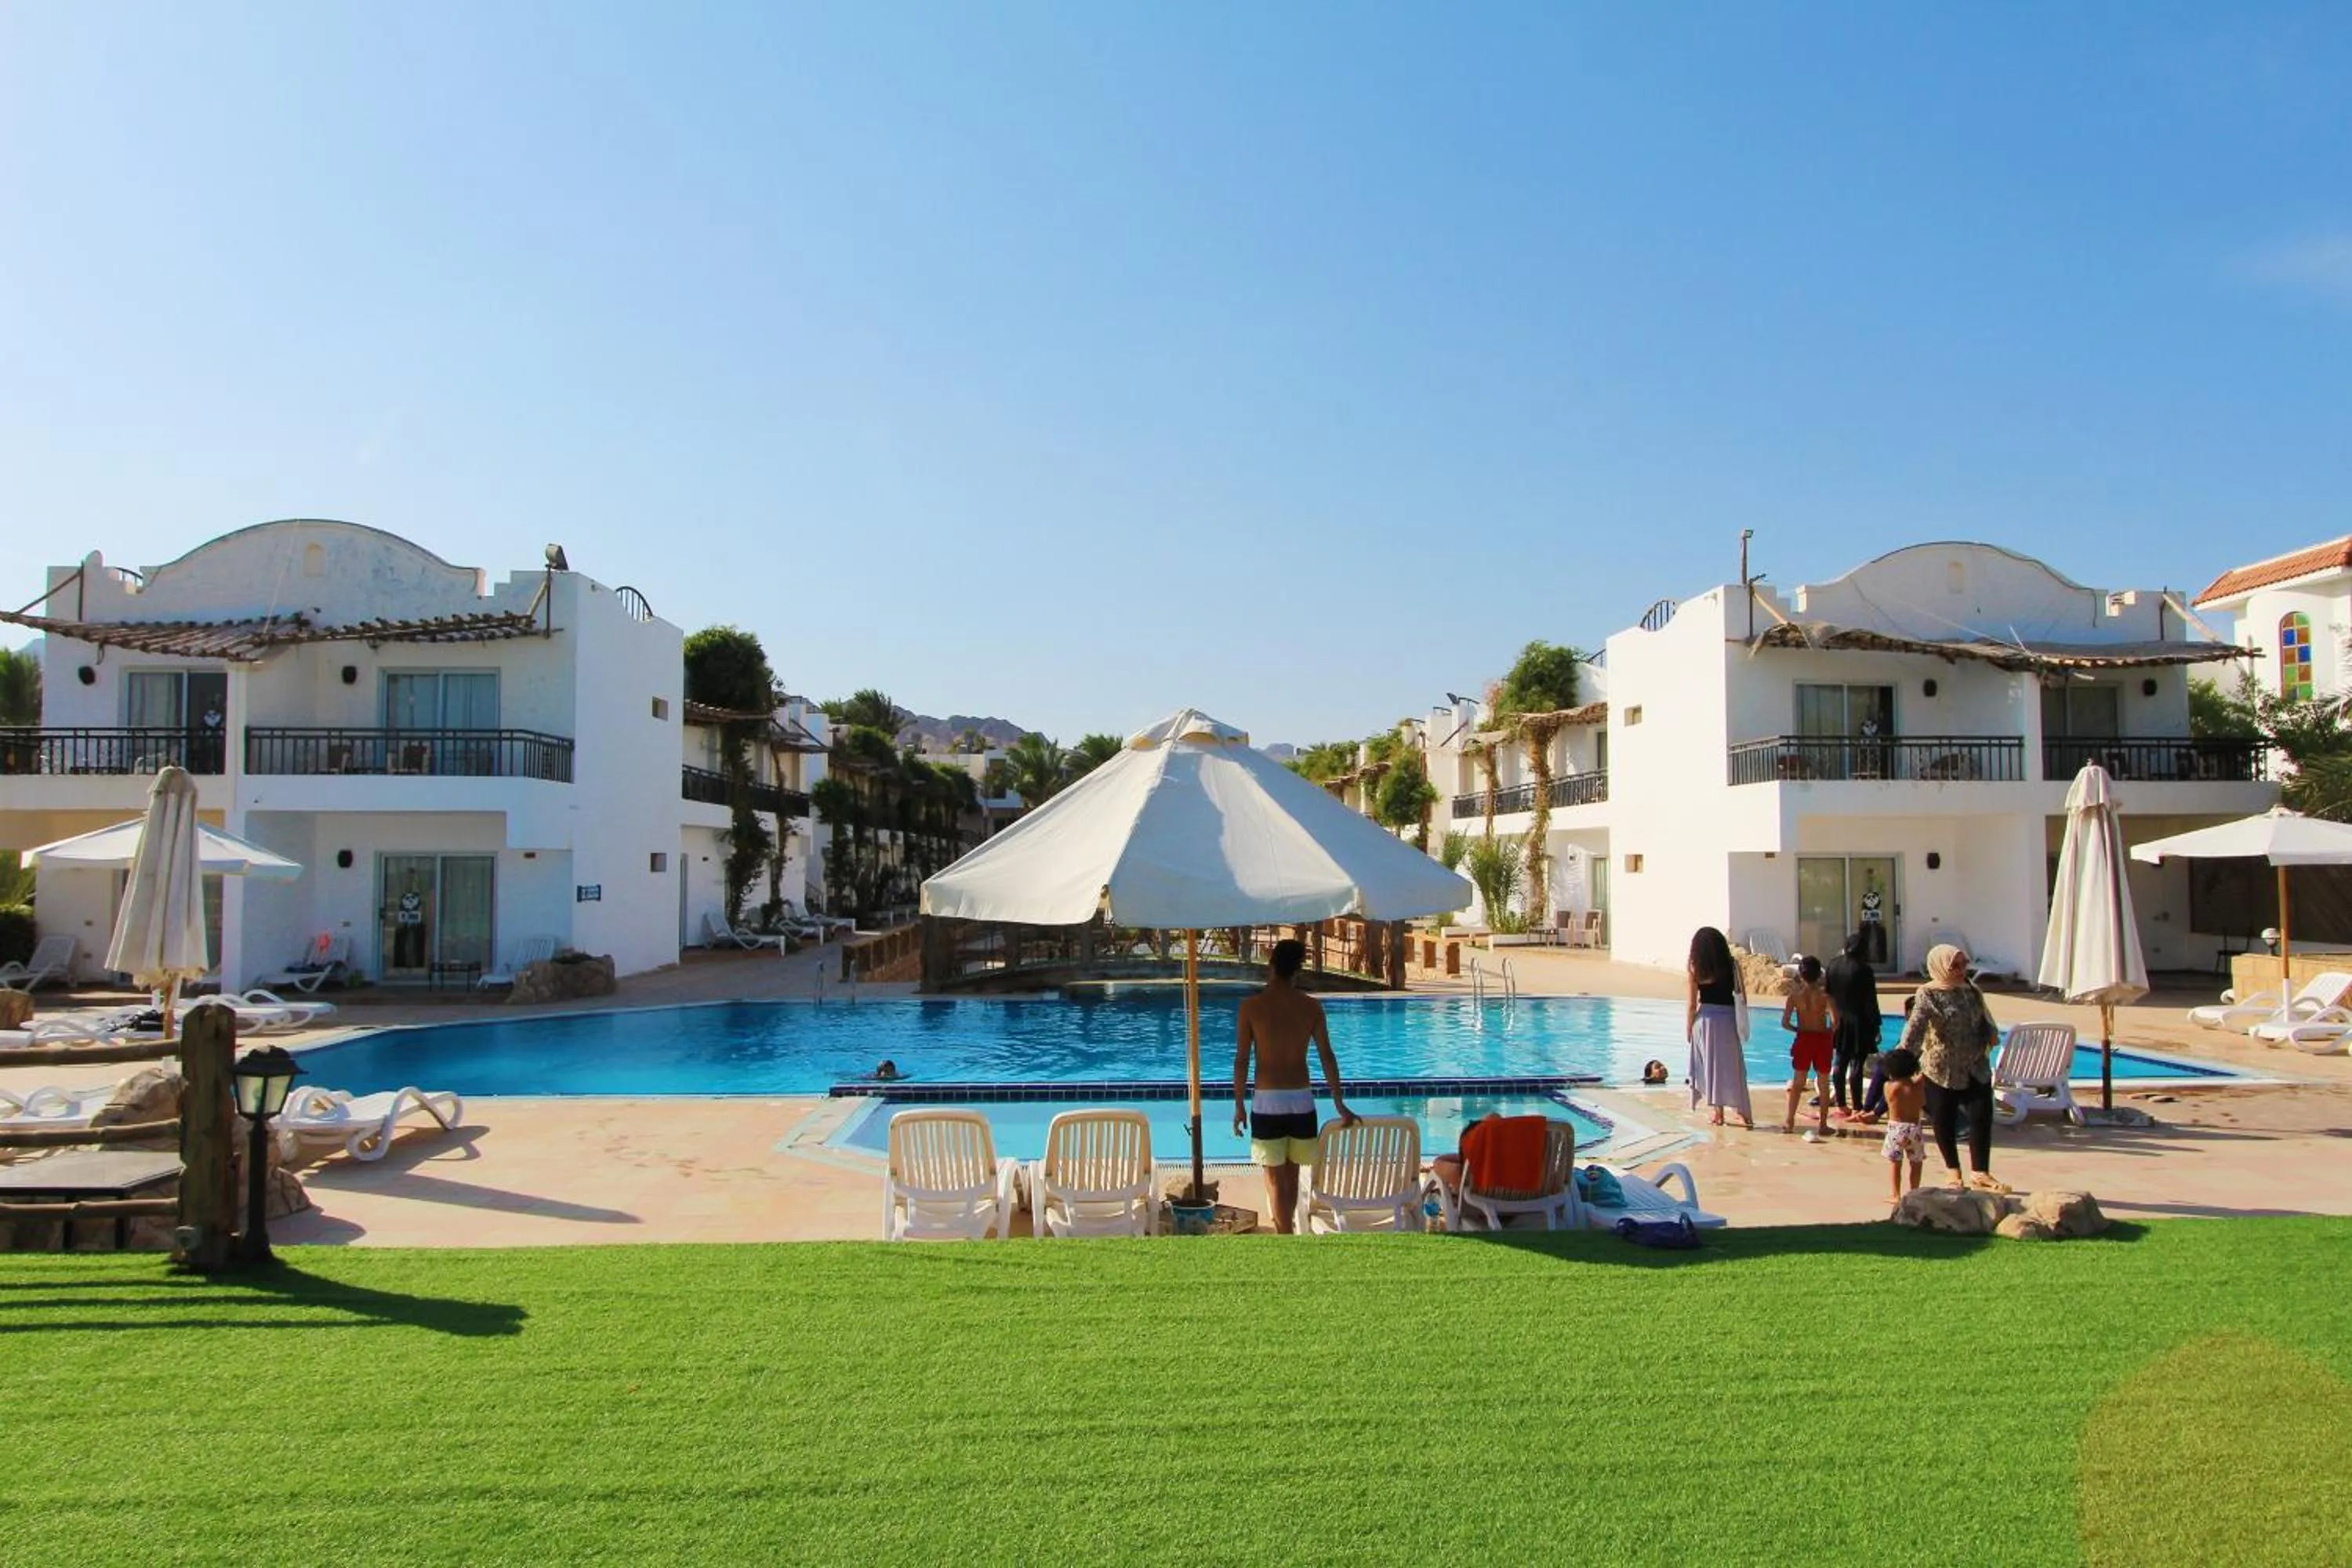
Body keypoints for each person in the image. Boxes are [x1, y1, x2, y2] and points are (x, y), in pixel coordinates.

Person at [1233, 938, 1356, 1234]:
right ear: (1297, 970)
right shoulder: (1311, 1007)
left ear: (1271, 966)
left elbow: (1242, 1061)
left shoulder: (1251, 1007)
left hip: (1268, 1102)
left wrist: (1239, 1106)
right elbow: (1327, 1056)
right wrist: (1339, 1102)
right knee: (1290, 1177)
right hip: (1302, 1101)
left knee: (1275, 1180)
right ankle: (1288, 1235)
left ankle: (1284, 1236)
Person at [1898, 943, 2006, 1192]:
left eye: (1964, 964)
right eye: (1954, 966)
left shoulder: (1971, 990)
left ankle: (1980, 1172)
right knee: (1944, 1119)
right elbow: (1915, 1029)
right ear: (1940, 967)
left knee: (1981, 1116)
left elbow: (1984, 1018)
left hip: (1975, 1065)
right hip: (1942, 1068)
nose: (1961, 970)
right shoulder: (1928, 994)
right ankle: (1953, 1171)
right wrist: (1902, 1062)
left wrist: (1990, 1033)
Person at [1684, 926, 1754, 1129]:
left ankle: (1718, 1112)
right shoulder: (1731, 964)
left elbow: (1691, 1004)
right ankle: (1742, 1111)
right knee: (1733, 1066)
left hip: (1705, 1020)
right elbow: (1742, 995)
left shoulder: (1695, 967)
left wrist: (1688, 1028)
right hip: (1728, 1019)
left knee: (1710, 1067)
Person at [1822, 931, 1881, 1118]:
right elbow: (1870, 1001)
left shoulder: (1833, 965)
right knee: (1857, 1064)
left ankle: (1841, 1103)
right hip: (1860, 1021)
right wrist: (1876, 1025)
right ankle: (1857, 1106)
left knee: (1840, 1061)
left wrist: (1832, 1017)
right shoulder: (1864, 969)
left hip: (1839, 1019)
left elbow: (1828, 994)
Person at [1780, 954, 1835, 1136]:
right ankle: (1823, 1125)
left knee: (1798, 1082)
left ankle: (1789, 1121)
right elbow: (1836, 1022)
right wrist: (1828, 1032)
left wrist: (1798, 1029)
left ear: (1801, 975)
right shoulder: (1825, 996)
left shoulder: (1794, 996)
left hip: (1804, 1038)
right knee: (1823, 1083)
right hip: (1821, 1040)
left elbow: (1785, 1023)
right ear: (1819, 974)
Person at [1878, 1046, 1927, 1207]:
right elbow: (1925, 1075)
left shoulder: (1890, 1087)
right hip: (1915, 1129)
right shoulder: (1918, 1085)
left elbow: (1888, 1102)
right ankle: (1914, 1192)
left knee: (1895, 1162)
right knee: (1916, 1163)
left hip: (1897, 1129)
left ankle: (1896, 1194)